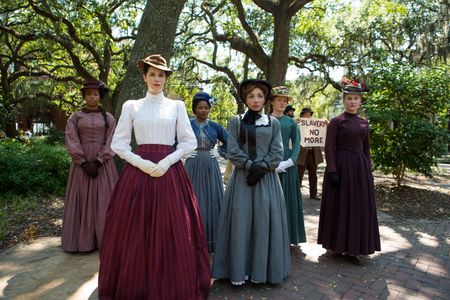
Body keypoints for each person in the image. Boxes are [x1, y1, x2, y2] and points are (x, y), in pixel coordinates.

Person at [98, 54, 210, 299]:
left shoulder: (176, 106)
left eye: (161, 75)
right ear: (144, 77)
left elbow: (189, 142)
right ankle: (135, 284)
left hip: (170, 174)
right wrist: (143, 164)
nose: (157, 79)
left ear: (166, 78)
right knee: (134, 231)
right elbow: (119, 144)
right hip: (138, 175)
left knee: (174, 229)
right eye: (152, 74)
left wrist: (167, 161)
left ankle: (172, 285)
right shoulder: (131, 106)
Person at [212, 79, 290, 285]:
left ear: (265, 99)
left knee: (265, 221)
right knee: (241, 220)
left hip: (267, 180)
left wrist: (261, 168)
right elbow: (232, 149)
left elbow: (277, 152)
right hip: (242, 179)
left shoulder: (273, 123)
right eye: (251, 96)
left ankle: (263, 271)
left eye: (259, 96)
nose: (255, 100)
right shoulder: (236, 121)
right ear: (245, 99)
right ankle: (239, 270)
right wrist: (249, 165)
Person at [317, 77, 381, 266]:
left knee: (356, 207)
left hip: (359, 169)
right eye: (349, 98)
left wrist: (368, 170)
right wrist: (333, 170)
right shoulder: (337, 121)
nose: (352, 102)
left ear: (360, 101)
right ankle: (337, 246)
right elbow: (329, 147)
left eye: (356, 99)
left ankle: (354, 248)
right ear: (344, 100)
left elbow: (366, 148)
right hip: (342, 167)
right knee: (341, 206)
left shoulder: (364, 123)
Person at [62, 80, 118, 252]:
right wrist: (84, 162)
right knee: (81, 200)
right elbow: (71, 139)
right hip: (82, 165)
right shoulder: (75, 117)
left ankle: (104, 241)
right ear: (84, 96)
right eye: (88, 94)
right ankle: (81, 242)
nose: (92, 97)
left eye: (95, 94)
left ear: (100, 96)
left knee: (104, 200)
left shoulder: (108, 118)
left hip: (104, 165)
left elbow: (112, 140)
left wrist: (99, 161)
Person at [185, 91, 228, 253]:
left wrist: (220, 152)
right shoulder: (187, 124)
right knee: (192, 199)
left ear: (209, 109)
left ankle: (212, 240)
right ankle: (191, 239)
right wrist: (184, 152)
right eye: (199, 107)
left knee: (212, 199)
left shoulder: (215, 126)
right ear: (194, 109)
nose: (203, 110)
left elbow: (230, 143)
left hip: (210, 164)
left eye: (206, 107)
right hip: (192, 163)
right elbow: (175, 141)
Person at [270, 86, 306, 250]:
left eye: (285, 101)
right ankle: (270, 235)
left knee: (287, 201)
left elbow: (297, 144)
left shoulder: (290, 121)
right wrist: (269, 164)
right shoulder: (264, 120)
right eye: (279, 100)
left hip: (287, 164)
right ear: (272, 102)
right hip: (269, 164)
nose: (282, 103)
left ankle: (288, 235)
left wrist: (289, 161)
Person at [297, 107, 324, 200]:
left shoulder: (315, 125)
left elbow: (322, 133)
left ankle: (313, 194)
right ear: (302, 115)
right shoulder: (298, 125)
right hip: (302, 153)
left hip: (313, 153)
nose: (308, 116)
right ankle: (296, 194)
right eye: (306, 115)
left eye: (309, 115)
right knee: (299, 175)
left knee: (313, 175)